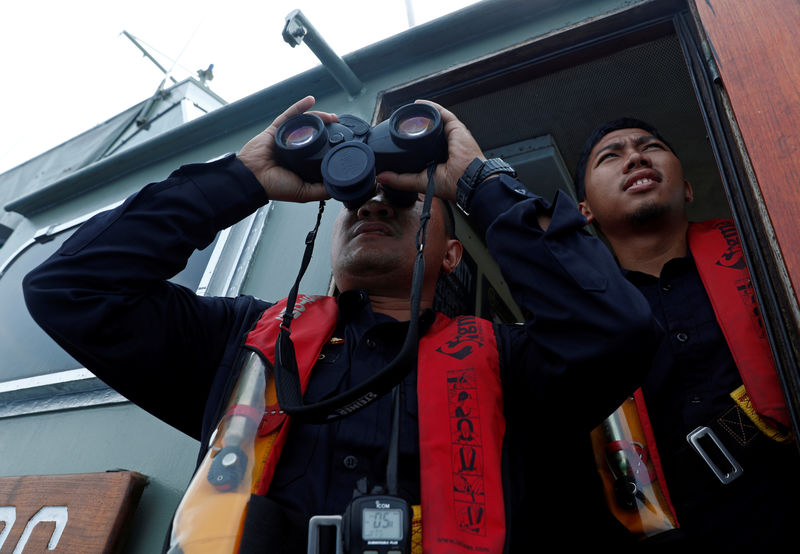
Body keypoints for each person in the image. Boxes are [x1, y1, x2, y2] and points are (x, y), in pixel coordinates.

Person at [23, 97, 658, 553]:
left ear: (453, 252)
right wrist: (241, 179)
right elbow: (69, 288)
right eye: (358, 197)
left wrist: (477, 182)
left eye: (407, 197)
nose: (376, 201)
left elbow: (616, 330)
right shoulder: (241, 347)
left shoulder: (514, 364)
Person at [574, 117, 800, 549]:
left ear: (688, 189)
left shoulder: (769, 259)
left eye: (650, 147)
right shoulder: (586, 322)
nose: (635, 157)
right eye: (611, 155)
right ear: (585, 212)